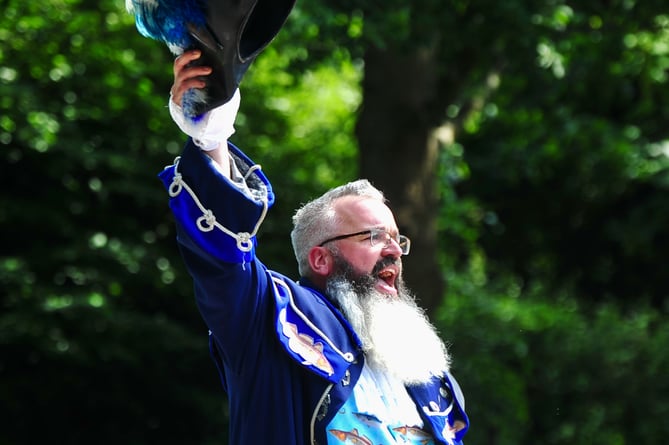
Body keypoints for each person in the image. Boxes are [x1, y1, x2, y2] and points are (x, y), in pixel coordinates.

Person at [161, 49, 469, 445]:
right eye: (374, 236)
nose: (393, 250)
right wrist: (211, 134)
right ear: (321, 258)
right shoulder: (270, 318)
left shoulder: (428, 376)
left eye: (396, 239)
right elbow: (223, 259)